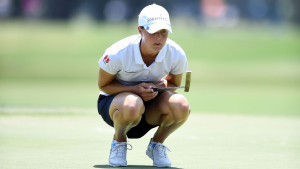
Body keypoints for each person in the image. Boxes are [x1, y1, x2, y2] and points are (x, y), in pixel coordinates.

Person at [97, 3, 190, 168]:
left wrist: (159, 86)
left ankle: (157, 144)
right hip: (117, 107)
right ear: (140, 30)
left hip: (150, 108)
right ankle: (118, 142)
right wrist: (134, 89)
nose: (159, 38)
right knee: (132, 103)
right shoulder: (118, 52)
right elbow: (104, 85)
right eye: (153, 32)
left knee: (181, 105)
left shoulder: (176, 53)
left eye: (163, 32)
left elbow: (174, 83)